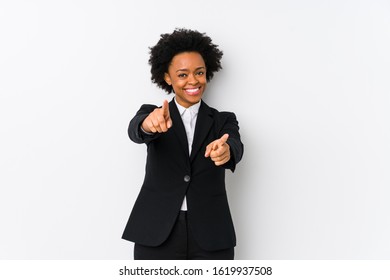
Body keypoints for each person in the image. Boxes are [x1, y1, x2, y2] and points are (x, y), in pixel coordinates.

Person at [122, 28, 244, 260]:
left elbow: (236, 145)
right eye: (182, 74)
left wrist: (226, 151)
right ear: (167, 77)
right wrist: (148, 124)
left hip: (212, 233)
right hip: (156, 231)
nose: (193, 81)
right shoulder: (153, 114)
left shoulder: (223, 120)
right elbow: (136, 130)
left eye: (199, 72)